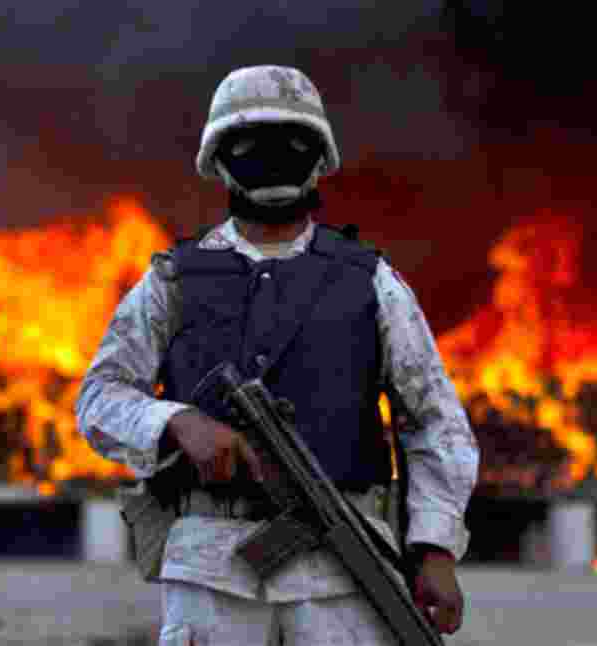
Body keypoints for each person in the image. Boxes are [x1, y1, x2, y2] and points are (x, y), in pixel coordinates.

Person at [76, 65, 479, 646]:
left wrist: (435, 547)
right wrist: (177, 423)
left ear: (319, 156)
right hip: (212, 573)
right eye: (250, 142)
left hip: (343, 575)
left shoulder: (370, 281)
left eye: (291, 142)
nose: (270, 157)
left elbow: (435, 420)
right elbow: (99, 397)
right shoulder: (173, 280)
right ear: (219, 159)